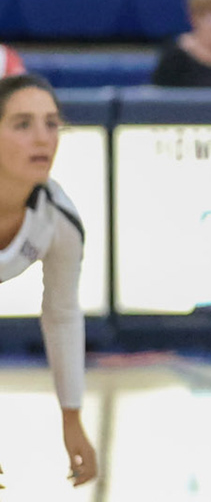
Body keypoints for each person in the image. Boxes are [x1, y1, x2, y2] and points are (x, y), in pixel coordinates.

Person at [0, 74, 98, 489]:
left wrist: (72, 417)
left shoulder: (59, 220)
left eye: (51, 123)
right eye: (22, 124)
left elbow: (61, 317)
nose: (42, 138)